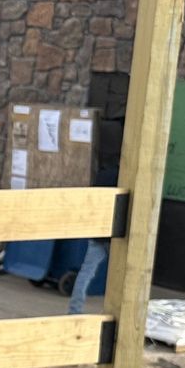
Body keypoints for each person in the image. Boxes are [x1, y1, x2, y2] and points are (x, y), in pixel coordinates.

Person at [68, 120, 124, 314]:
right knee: (124, 275)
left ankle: (74, 310)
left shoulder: (101, 176)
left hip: (98, 229)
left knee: (86, 271)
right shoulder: (123, 178)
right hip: (119, 232)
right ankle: (119, 313)